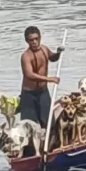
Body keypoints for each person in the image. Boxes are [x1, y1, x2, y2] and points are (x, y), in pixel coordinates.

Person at [19, 26, 64, 155]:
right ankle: (29, 152)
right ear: (27, 41)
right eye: (31, 40)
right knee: (29, 125)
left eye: (36, 39)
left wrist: (58, 53)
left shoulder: (44, 49)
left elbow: (52, 58)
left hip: (43, 92)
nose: (34, 42)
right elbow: (29, 75)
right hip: (29, 94)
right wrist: (50, 79)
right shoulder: (25, 56)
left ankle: (49, 148)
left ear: (40, 38)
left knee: (49, 121)